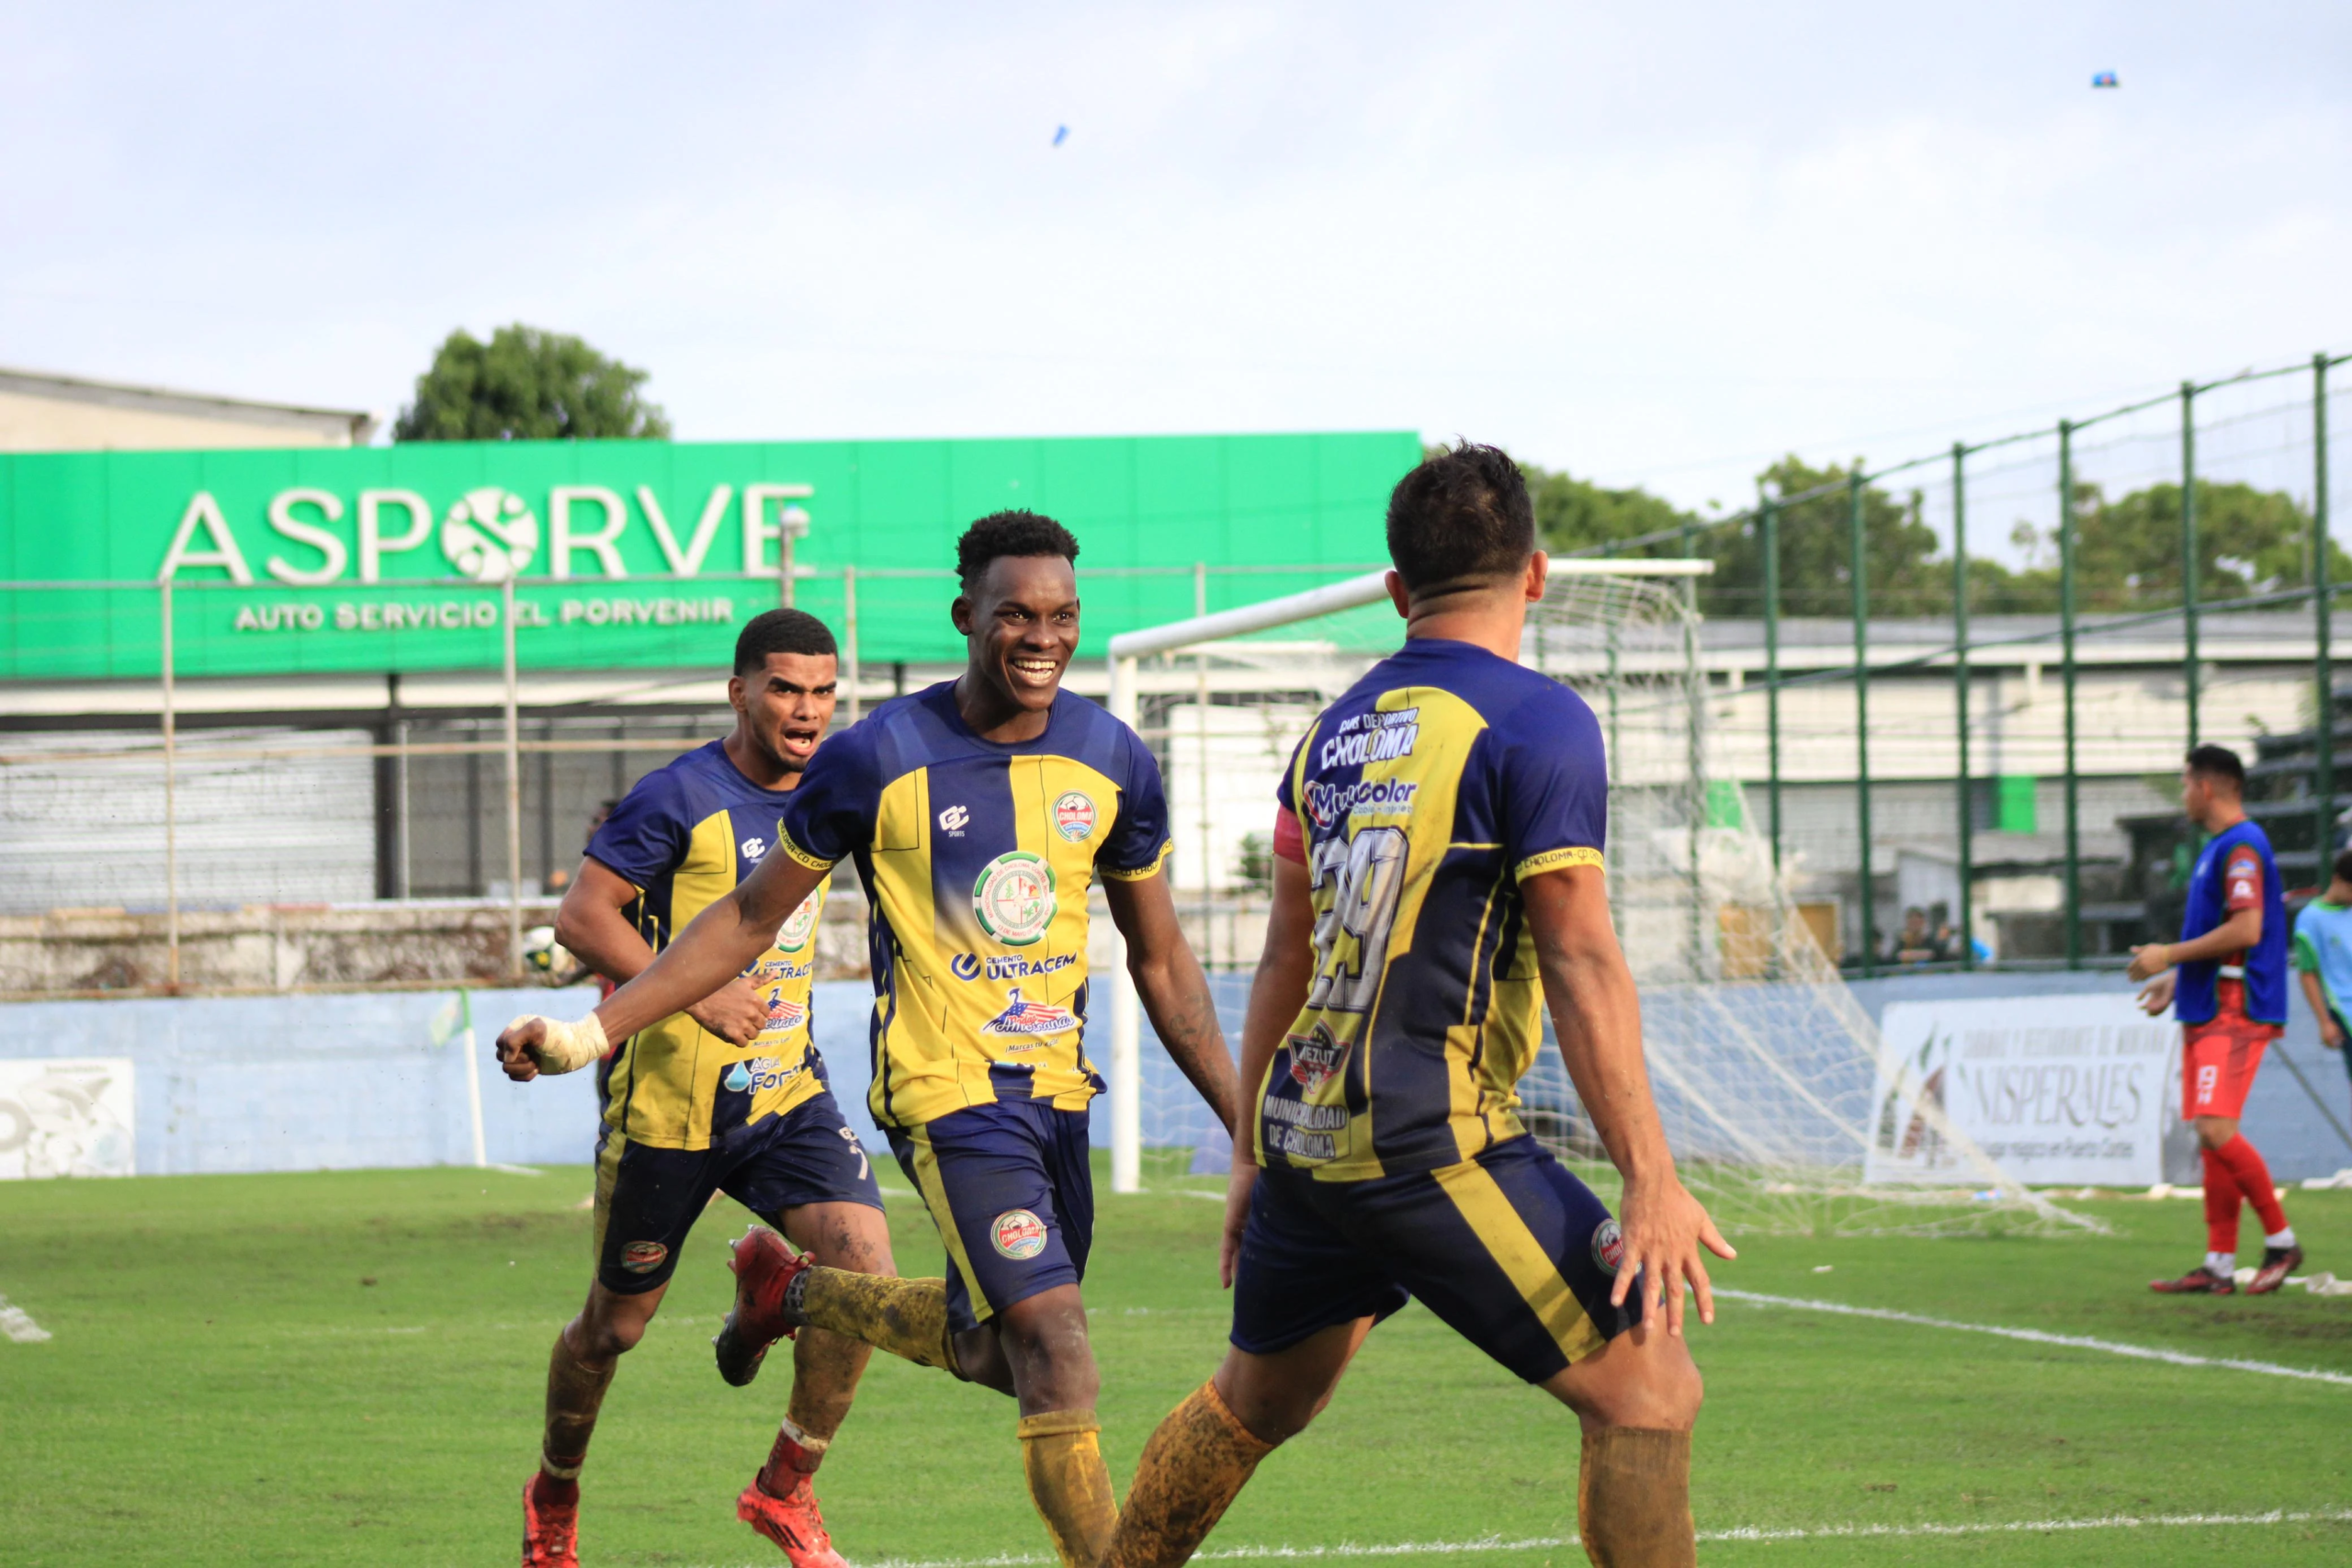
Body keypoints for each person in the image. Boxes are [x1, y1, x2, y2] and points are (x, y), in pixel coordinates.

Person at [500, 512, 1239, 1568]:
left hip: (971, 1098)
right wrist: (589, 1032)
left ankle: (790, 1317)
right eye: (1017, 616)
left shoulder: (1111, 757)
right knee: (1056, 1352)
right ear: (965, 619)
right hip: (903, 1096)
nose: (1043, 637)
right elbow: (725, 920)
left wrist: (1247, 1130)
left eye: (1063, 617)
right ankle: (559, 1494)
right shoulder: (861, 763)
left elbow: (1164, 962)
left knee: (997, 1353)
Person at [1098, 443, 1728, 1568]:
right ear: (1534, 575)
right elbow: (1581, 958)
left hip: (1304, 1132)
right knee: (1649, 1391)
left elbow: (1283, 960)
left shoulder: (1329, 735)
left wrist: (1249, 1152)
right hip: (1427, 1140)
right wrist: (1650, 1178)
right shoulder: (1537, 723)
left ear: (1398, 590)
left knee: (1256, 1401)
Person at [502, 609, 896, 1568]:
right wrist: (703, 994)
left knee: (863, 1273)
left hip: (786, 1092)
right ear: (741, 692)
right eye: (785, 689)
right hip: (666, 1111)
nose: (806, 711)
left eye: (821, 692)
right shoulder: (677, 794)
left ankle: (785, 1490)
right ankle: (554, 1491)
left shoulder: (839, 789)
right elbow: (582, 916)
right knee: (614, 1330)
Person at [2130, 743, 2303, 1296]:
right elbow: (2223, 935)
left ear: (2206, 787)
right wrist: (2176, 979)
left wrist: (2168, 954)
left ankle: (2281, 1241)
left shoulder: (2244, 847)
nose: (2183, 794)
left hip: (2236, 1008)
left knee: (2214, 1128)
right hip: (2209, 1002)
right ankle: (2218, 1265)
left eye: (2185, 784)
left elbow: (2247, 930)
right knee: (2210, 1136)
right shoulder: (2221, 847)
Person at [2292, 846, 2352, 1086]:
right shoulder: (2311, 919)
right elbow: (2308, 973)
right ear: (2337, 880)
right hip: (2346, 1014)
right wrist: (2324, 1022)